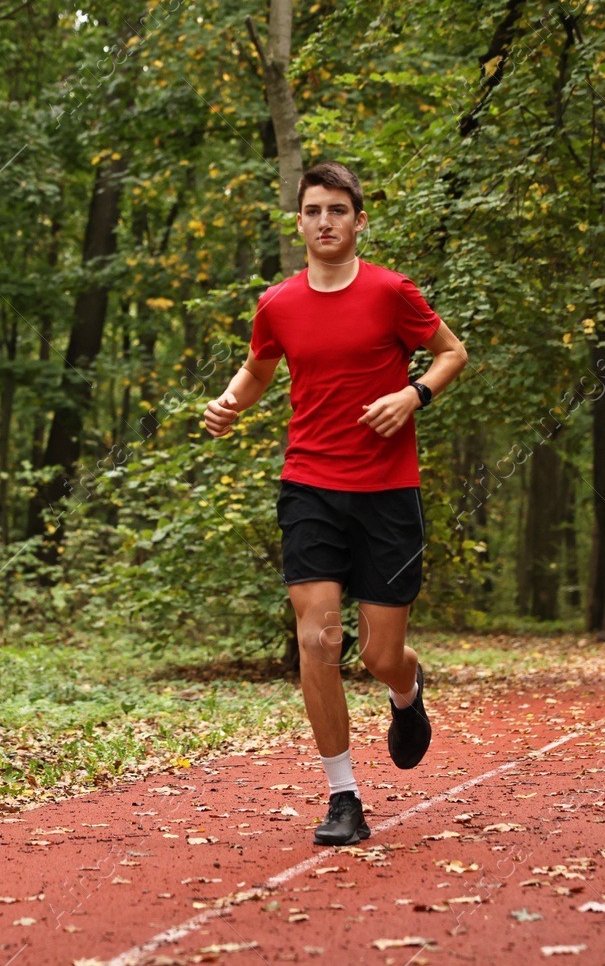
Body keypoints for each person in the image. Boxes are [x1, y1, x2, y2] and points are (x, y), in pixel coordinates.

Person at [203, 161, 468, 846]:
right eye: (313, 210)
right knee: (317, 639)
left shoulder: (391, 293)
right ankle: (343, 794)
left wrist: (415, 394)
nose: (325, 221)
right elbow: (260, 366)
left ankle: (406, 694)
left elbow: (451, 352)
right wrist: (232, 401)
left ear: (358, 221)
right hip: (311, 485)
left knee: (381, 654)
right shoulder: (278, 303)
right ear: (300, 221)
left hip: (387, 492)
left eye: (338, 211)